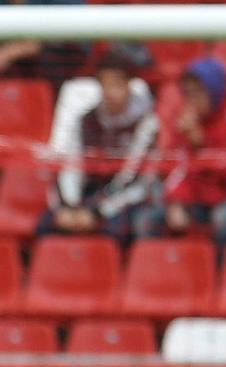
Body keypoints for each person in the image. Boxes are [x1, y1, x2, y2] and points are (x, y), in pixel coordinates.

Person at [140, 57, 226, 258]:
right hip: (200, 198)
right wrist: (175, 202)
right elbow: (177, 171)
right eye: (188, 94)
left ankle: (219, 279)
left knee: (223, 217)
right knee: (149, 219)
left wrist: (201, 145)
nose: (192, 100)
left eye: (198, 93)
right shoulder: (185, 124)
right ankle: (155, 279)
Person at [39, 47, 159, 244]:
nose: (111, 92)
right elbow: (71, 166)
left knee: (117, 229)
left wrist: (96, 212)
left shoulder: (146, 124)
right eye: (105, 85)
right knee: (46, 224)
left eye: (117, 84)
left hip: (125, 201)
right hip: (89, 197)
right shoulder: (87, 120)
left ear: (129, 84)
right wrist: (69, 207)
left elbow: (134, 179)